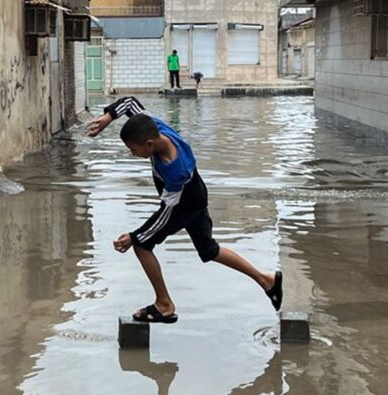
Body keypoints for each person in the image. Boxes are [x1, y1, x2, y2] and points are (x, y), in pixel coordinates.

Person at [87, 97, 283, 323]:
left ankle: (164, 304)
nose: (132, 154)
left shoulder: (174, 169)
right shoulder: (155, 127)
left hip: (184, 204)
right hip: (196, 194)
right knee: (209, 250)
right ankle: (267, 280)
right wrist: (108, 117)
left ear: (149, 145)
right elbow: (130, 103)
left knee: (142, 246)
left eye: (133, 149)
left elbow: (167, 212)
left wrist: (135, 235)